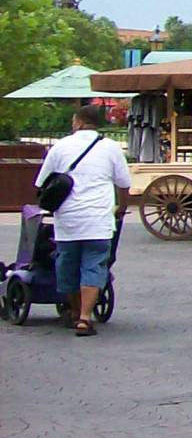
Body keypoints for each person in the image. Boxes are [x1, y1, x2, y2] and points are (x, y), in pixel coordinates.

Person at [34, 103, 131, 336]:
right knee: (94, 265)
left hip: (68, 220)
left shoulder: (60, 147)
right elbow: (124, 185)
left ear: (78, 121)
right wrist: (121, 208)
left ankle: (75, 311)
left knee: (67, 266)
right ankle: (86, 319)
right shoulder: (111, 148)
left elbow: (40, 184)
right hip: (98, 220)